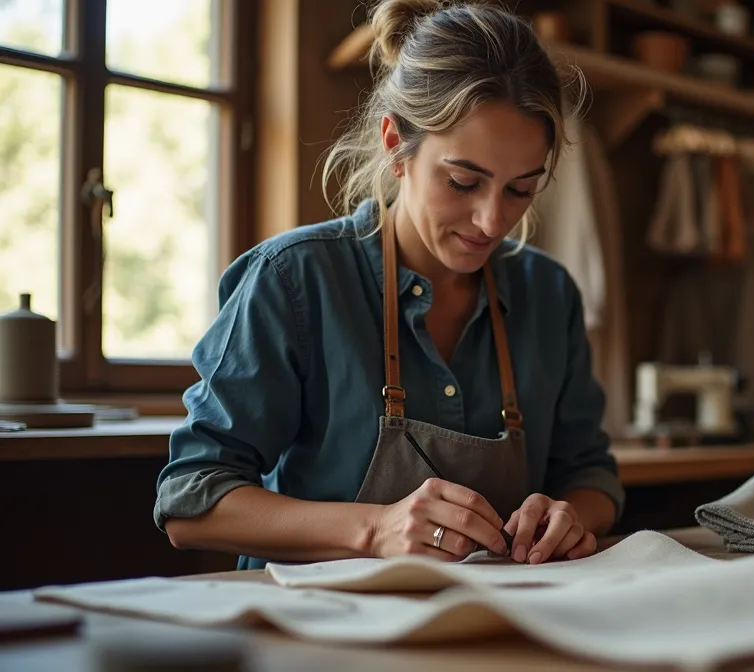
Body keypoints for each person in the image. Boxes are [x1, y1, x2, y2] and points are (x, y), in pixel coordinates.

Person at [153, 0, 624, 571]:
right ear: (396, 146)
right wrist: (374, 529)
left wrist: (571, 515)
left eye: (520, 190)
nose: (492, 221)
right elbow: (189, 500)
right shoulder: (295, 280)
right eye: (462, 181)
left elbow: (591, 475)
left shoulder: (549, 295)